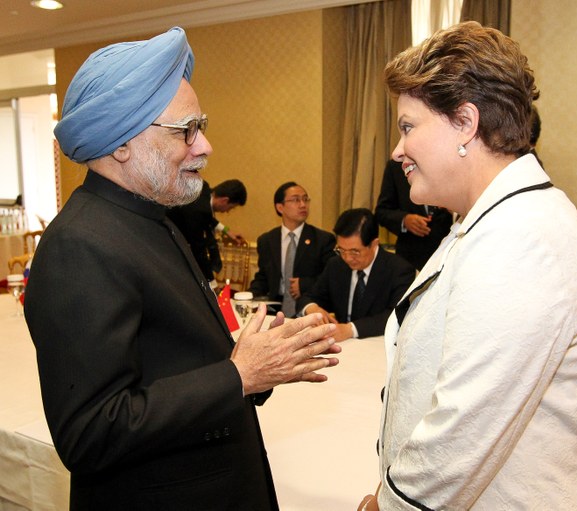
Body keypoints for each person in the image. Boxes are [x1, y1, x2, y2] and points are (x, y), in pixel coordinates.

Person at [24, 27, 340, 510]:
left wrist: (258, 360)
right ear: (122, 142)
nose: (205, 146)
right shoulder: (79, 245)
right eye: (186, 130)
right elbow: (90, 432)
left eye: (202, 126)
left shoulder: (153, 218)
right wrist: (239, 375)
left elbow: (171, 363)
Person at [359, 21, 577, 510]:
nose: (397, 151)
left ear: (466, 123)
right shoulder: (489, 220)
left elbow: (464, 426)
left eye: (408, 127)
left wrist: (390, 506)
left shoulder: (522, 237)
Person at [298, 208, 415, 341]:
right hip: (342, 346)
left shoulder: (399, 270)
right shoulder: (336, 265)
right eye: (341, 250)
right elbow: (308, 297)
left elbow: (396, 316)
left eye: (355, 251)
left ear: (374, 244)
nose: (347, 258)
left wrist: (351, 329)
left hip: (376, 347)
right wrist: (312, 308)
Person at [248, 181, 335, 317]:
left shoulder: (323, 239)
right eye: (296, 200)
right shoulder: (267, 240)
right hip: (275, 310)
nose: (303, 204)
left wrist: (305, 284)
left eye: (305, 199)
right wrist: (247, 297)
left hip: (309, 310)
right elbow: (263, 278)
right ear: (280, 207)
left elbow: (331, 278)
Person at [375, 159, 453, 270]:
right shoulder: (397, 166)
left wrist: (452, 208)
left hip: (447, 253)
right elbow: (382, 212)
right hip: (410, 258)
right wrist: (404, 220)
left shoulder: (451, 160)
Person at [167, 178, 247, 285]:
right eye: (231, 207)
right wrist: (211, 282)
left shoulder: (203, 188)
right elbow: (199, 250)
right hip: (167, 245)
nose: (227, 211)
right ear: (224, 200)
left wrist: (226, 231)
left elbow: (206, 217)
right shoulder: (199, 211)